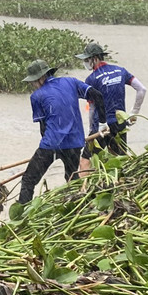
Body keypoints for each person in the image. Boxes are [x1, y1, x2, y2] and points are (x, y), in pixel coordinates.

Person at [19, 60, 107, 205]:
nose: (33, 85)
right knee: (72, 178)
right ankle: (80, 206)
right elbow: (97, 95)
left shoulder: (37, 96)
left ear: (41, 78)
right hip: (75, 143)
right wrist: (102, 123)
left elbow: (43, 128)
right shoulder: (71, 82)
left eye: (33, 81)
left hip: (51, 144)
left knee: (28, 180)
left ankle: (21, 218)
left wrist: (47, 152)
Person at [77, 42, 147, 155]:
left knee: (88, 160)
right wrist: (134, 113)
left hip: (101, 126)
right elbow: (142, 89)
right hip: (119, 123)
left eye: (87, 59)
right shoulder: (120, 71)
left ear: (94, 59)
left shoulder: (91, 79)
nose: (85, 63)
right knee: (119, 158)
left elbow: (92, 108)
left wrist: (91, 130)